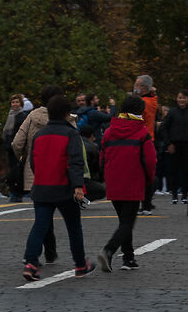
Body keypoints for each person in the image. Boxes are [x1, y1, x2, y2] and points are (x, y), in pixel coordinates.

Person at [21, 94, 93, 280]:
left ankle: (31, 263)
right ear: (67, 113)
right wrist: (78, 186)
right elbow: (75, 162)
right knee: (73, 227)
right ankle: (80, 264)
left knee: (40, 226)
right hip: (64, 188)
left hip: (41, 187)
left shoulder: (39, 135)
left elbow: (33, 162)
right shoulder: (71, 134)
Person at [98, 96, 156, 270]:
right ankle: (109, 250)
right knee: (127, 222)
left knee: (124, 221)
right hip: (133, 181)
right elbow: (150, 160)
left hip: (113, 181)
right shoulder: (142, 133)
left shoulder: (109, 132)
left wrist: (106, 176)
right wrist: (149, 179)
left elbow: (102, 158)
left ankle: (129, 258)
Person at [158, 91, 188, 205]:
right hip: (174, 145)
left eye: (184, 98)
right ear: (177, 99)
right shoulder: (172, 112)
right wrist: (168, 143)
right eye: (180, 98)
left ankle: (185, 195)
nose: (182, 100)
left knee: (186, 171)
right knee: (173, 171)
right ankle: (174, 195)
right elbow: (163, 128)